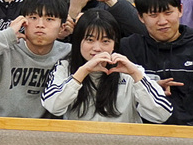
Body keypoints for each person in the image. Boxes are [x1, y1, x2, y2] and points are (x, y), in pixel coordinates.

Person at [42, 9, 172, 123]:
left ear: (114, 44)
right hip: (78, 141)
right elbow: (52, 105)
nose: (97, 48)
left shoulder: (130, 71)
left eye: (105, 41)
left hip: (122, 141)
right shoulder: (64, 67)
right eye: (90, 40)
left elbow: (162, 114)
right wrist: (83, 72)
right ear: (78, 41)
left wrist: (136, 75)